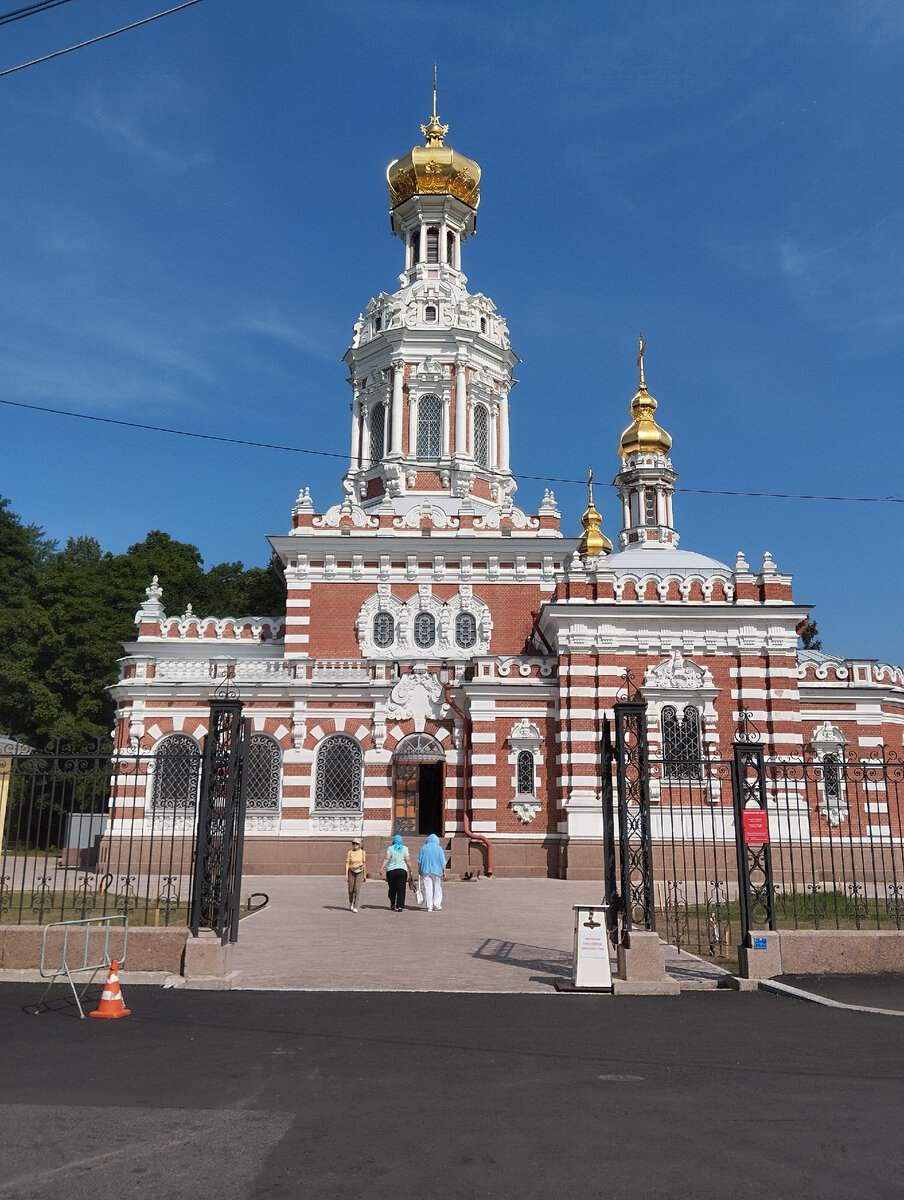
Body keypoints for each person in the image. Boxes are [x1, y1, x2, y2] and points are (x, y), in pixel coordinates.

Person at [379, 834, 412, 911]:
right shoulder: (404, 848)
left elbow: (387, 858)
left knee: (392, 888)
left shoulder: (390, 848)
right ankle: (400, 906)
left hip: (391, 871)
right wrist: (410, 870)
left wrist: (382, 868)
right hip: (402, 871)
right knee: (401, 889)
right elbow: (408, 860)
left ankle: (393, 903)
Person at [418, 833, 446, 912]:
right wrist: (444, 871)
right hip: (437, 871)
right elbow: (443, 862)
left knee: (428, 888)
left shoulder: (423, 848)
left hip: (425, 870)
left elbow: (419, 861)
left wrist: (419, 870)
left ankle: (429, 906)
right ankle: (437, 905)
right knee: (437, 887)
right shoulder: (439, 849)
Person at [345, 838, 366, 912]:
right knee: (351, 890)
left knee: (357, 889)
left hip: (359, 871)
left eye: (356, 844)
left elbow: (364, 864)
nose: (354, 845)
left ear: (359, 845)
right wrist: (346, 875)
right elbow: (347, 863)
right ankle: (351, 902)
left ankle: (355, 905)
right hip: (351, 871)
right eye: (353, 843)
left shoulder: (362, 852)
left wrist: (364, 875)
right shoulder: (350, 852)